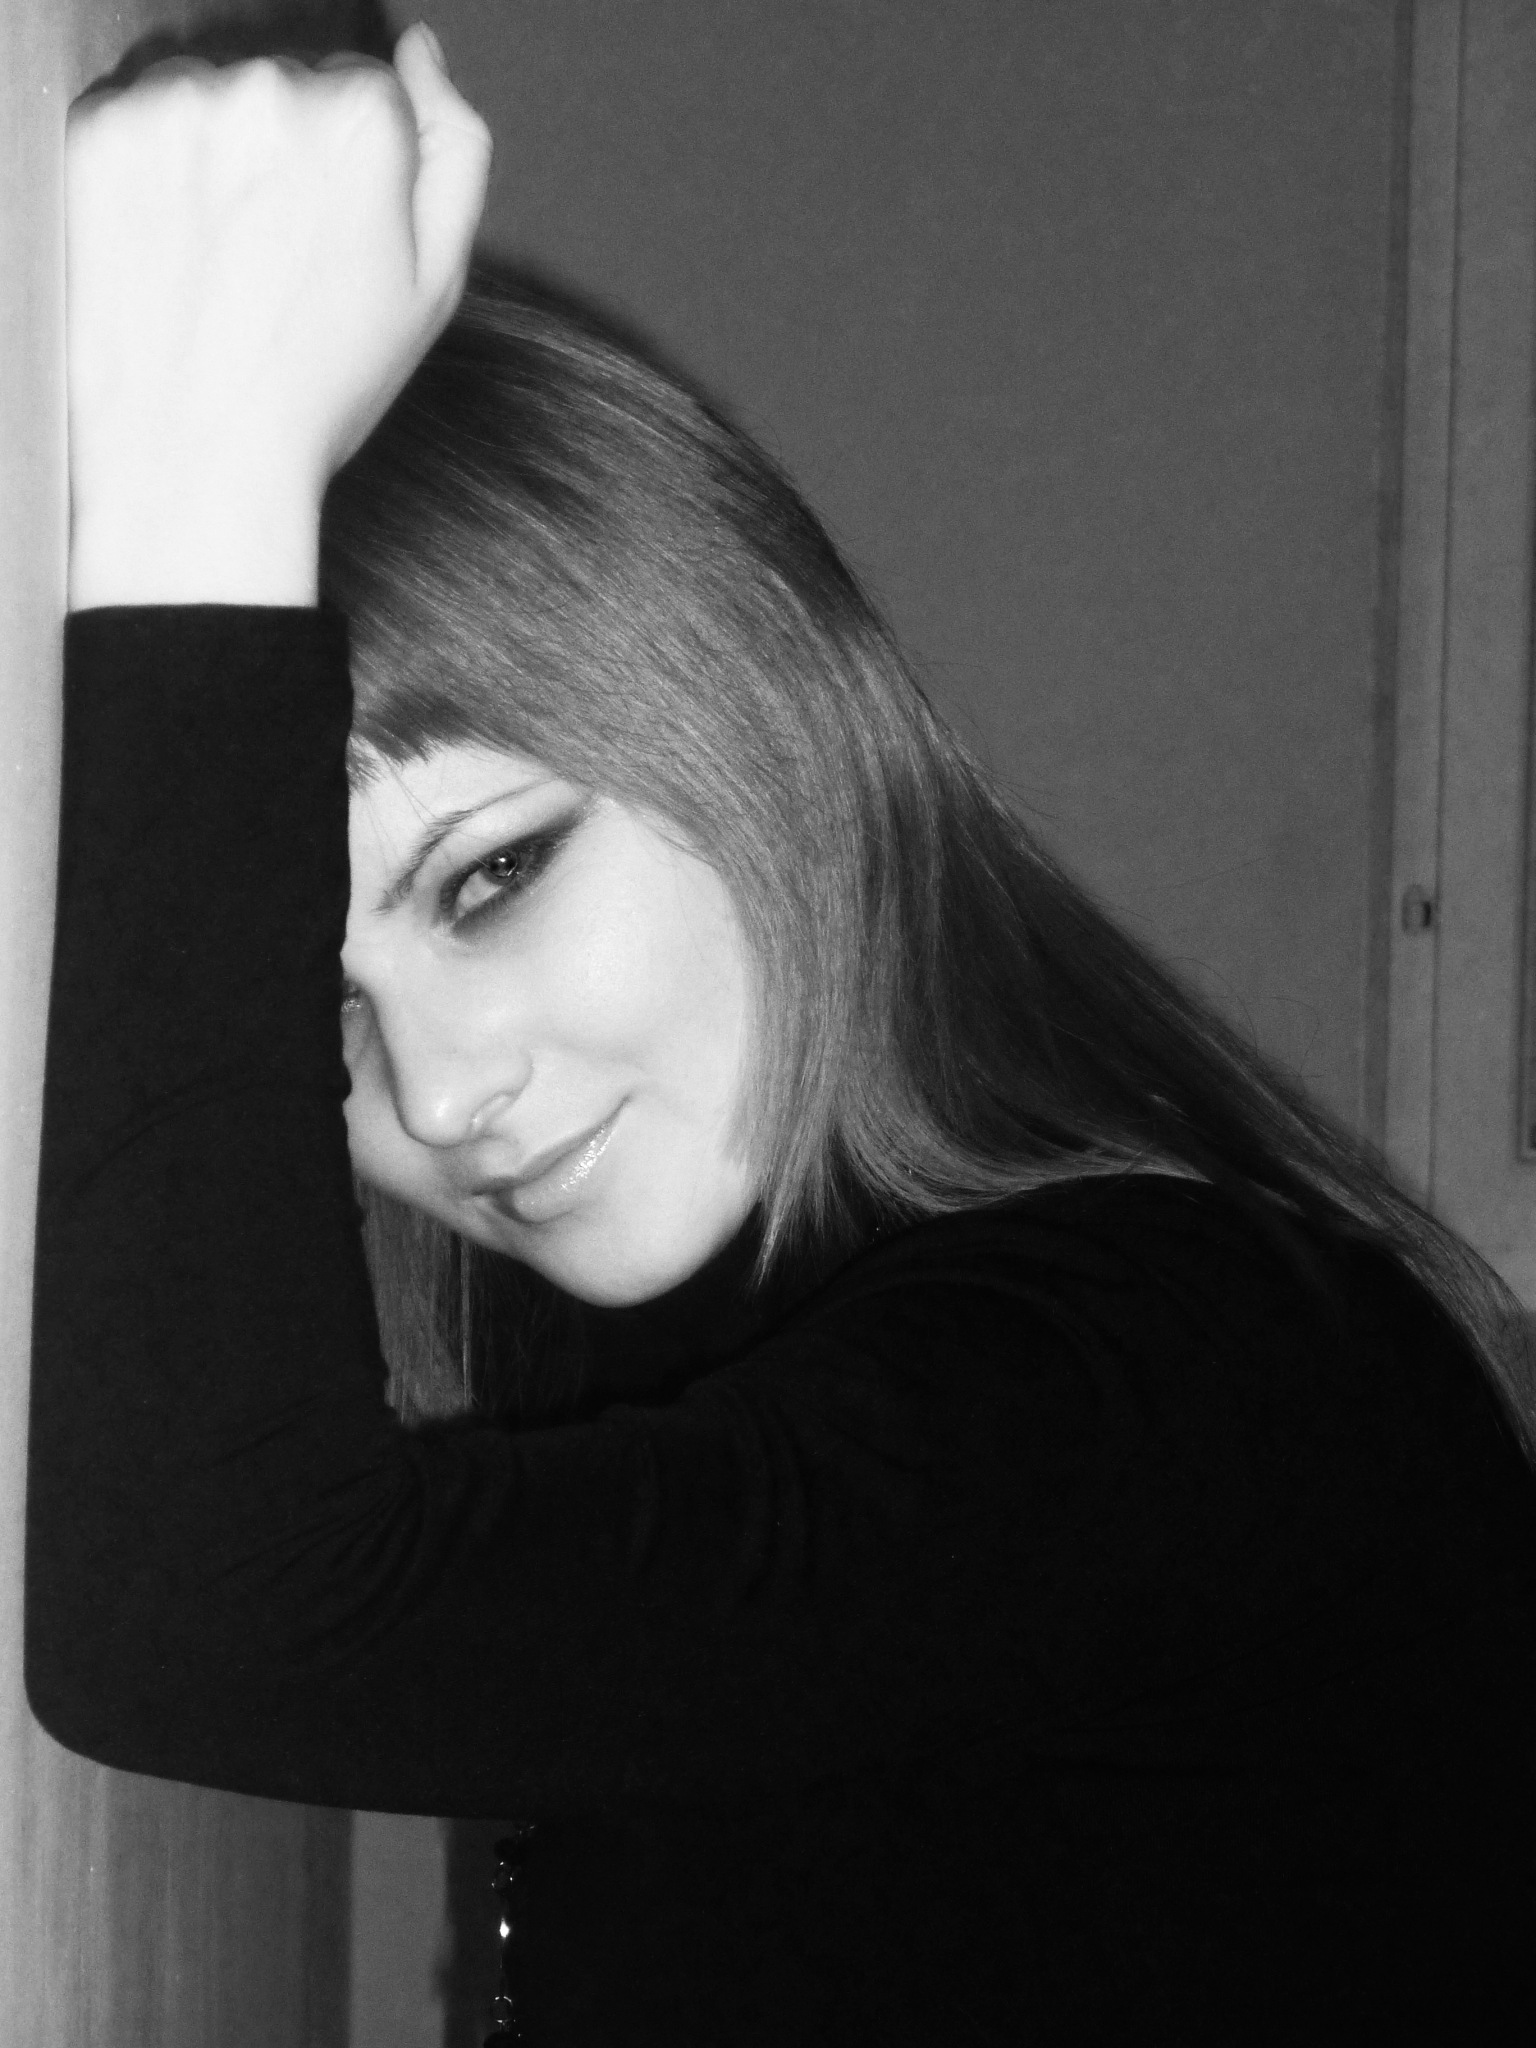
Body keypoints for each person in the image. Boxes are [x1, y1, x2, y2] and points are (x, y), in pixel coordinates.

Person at [26, 24, 1536, 2043]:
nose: (442, 1097)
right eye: (326, 1021)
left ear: (756, 707)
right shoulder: (689, 1336)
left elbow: (204, 1621)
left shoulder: (1177, 1377)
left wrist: (207, 464)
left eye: (493, 875)